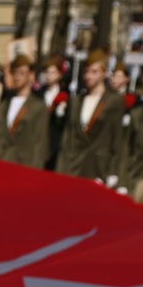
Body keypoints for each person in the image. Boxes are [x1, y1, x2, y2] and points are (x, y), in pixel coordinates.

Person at [55, 50, 124, 185]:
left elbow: (117, 137)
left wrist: (114, 171)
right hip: (74, 166)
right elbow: (68, 137)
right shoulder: (77, 101)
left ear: (104, 73)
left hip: (99, 168)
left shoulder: (114, 101)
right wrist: (61, 168)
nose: (88, 76)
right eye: (86, 72)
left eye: (94, 71)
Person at [0, 55, 50, 167]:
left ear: (31, 75)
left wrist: (35, 170)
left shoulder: (38, 107)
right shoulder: (4, 105)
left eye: (21, 73)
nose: (17, 77)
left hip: (24, 165)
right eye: (15, 73)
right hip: (0, 163)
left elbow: (40, 144)